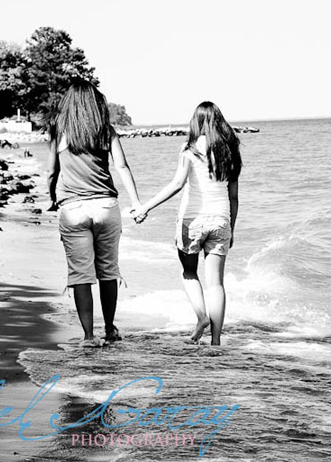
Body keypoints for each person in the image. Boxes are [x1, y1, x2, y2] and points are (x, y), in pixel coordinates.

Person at [135, 101, 241, 346]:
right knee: (216, 284)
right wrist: (231, 229)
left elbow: (177, 185)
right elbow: (233, 197)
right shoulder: (230, 151)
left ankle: (202, 317)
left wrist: (145, 207)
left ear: (197, 122)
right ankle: (215, 343)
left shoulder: (190, 148)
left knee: (189, 272)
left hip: (192, 221)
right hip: (221, 220)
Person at [47, 80, 143, 348]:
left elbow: (51, 172)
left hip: (73, 209)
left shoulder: (59, 130)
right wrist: (136, 203)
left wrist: (52, 197)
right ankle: (110, 329)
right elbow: (122, 166)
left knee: (80, 274)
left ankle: (89, 337)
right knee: (108, 271)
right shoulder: (105, 130)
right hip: (105, 207)